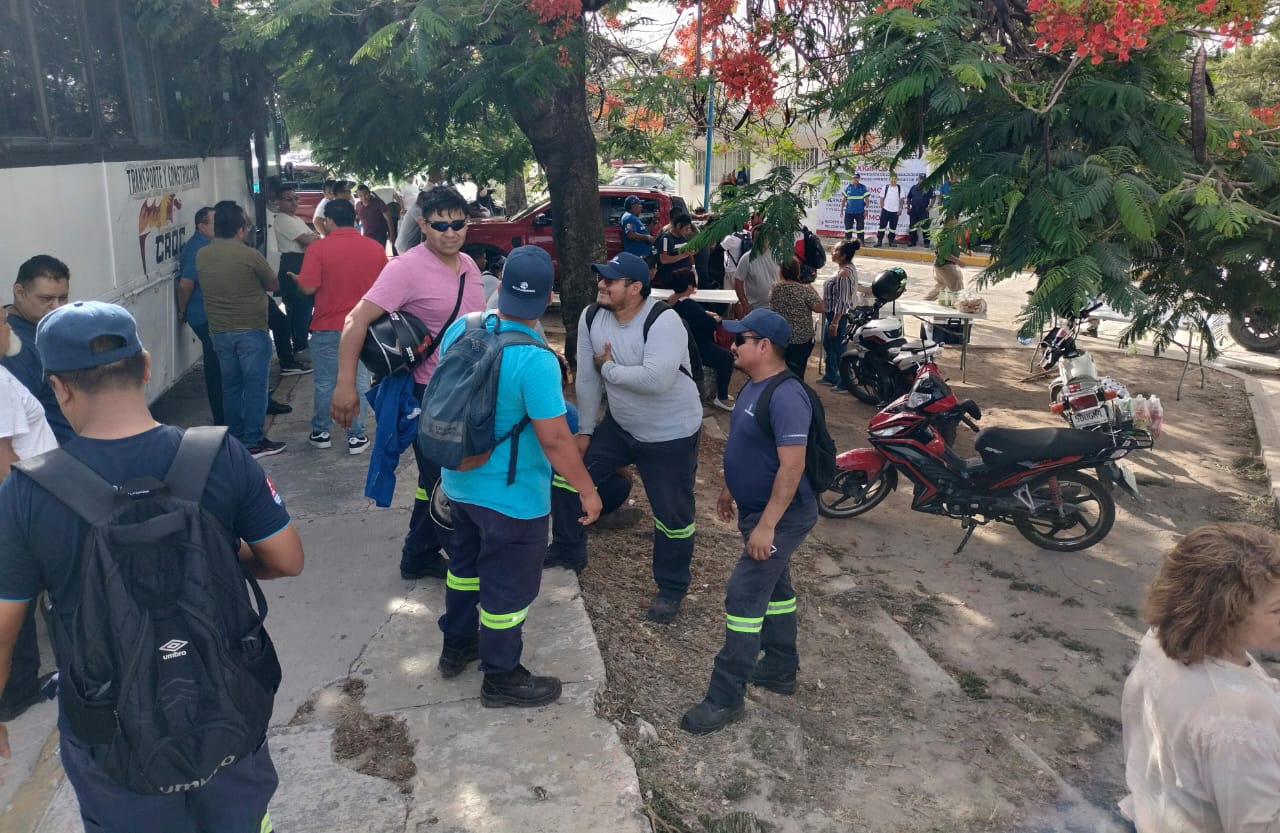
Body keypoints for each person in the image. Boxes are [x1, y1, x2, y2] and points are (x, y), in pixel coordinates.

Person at [0, 300, 304, 833]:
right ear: (144, 366)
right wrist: (224, 550)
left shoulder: (27, 492)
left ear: (59, 388)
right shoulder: (221, 453)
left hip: (109, 726)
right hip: (225, 701)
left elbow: (5, 625)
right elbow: (286, 559)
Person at [434, 246, 601, 707]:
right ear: (548, 297)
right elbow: (556, 440)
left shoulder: (462, 328)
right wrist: (587, 490)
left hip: (458, 482)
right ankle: (501, 676)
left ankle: (457, 645)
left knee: (464, 570)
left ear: (501, 285)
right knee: (507, 588)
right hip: (512, 498)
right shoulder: (536, 359)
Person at [333, 185, 486, 581]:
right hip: (427, 395)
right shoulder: (405, 268)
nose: (450, 233)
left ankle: (417, 556)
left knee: (434, 479)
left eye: (458, 224)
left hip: (466, 393)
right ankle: (468, 571)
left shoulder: (469, 265)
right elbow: (355, 320)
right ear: (422, 224)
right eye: (440, 225)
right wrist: (345, 386)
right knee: (448, 484)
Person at [681, 309, 818, 735]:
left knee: (743, 595)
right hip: (756, 509)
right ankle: (779, 667)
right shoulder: (752, 386)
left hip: (782, 516)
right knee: (776, 589)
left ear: (764, 346)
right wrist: (730, 488)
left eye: (741, 339)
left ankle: (725, 697)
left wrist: (768, 525)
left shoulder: (786, 396)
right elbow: (749, 446)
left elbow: (792, 468)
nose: (732, 344)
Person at [546, 252, 702, 623]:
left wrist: (610, 369)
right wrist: (585, 430)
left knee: (672, 515)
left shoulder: (663, 320)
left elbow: (656, 380)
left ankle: (671, 588)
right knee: (568, 476)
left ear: (635, 288)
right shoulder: (591, 316)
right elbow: (587, 378)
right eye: (601, 277)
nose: (601, 284)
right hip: (621, 426)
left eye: (610, 280)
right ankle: (568, 551)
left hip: (670, 433)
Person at [1121, 523, 1280, 833]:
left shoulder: (1161, 639)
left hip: (1154, 814)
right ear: (1227, 614)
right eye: (1278, 609)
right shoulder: (1237, 713)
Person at [294, 198, 386, 454]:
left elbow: (308, 287)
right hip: (364, 327)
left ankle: (321, 432)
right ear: (355, 219)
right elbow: (385, 287)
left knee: (325, 382)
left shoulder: (318, 249)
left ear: (329, 221)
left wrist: (297, 280)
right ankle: (356, 436)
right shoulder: (374, 248)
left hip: (327, 325)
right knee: (359, 381)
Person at [0, 311, 56, 722]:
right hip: (25, 503)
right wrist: (25, 515)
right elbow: (4, 459)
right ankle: (17, 690)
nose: (8, 327)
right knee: (20, 592)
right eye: (1, 322)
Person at [197, 201, 286, 458]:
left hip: (219, 331)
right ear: (240, 230)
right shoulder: (249, 255)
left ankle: (234, 437)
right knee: (255, 387)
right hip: (251, 328)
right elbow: (273, 283)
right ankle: (254, 440)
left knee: (231, 386)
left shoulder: (202, 254)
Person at [3, 255, 72, 443]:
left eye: (63, 298)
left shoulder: (47, 325)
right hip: (56, 452)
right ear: (20, 292)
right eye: (46, 298)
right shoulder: (13, 348)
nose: (57, 307)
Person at [666, 270, 735, 412]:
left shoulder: (673, 300)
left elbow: (698, 315)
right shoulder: (689, 305)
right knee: (727, 358)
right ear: (689, 286)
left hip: (687, 344)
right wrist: (716, 319)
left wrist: (706, 314)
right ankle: (721, 397)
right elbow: (709, 324)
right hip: (698, 347)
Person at [272, 187, 319, 367]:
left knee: (303, 307)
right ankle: (300, 347)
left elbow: (314, 238)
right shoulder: (282, 219)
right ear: (279, 202)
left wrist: (311, 239)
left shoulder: (297, 219)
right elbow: (308, 240)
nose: (293, 203)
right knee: (300, 308)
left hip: (302, 261)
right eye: (288, 199)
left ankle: (300, 345)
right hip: (292, 263)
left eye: (295, 198)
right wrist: (310, 239)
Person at [769, 258, 824, 379]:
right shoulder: (804, 289)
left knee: (779, 372)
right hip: (801, 339)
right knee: (797, 373)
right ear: (798, 271)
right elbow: (820, 307)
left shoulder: (775, 288)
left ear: (781, 271)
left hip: (780, 337)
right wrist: (811, 288)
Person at [819, 240, 859, 389]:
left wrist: (835, 322)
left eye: (835, 250)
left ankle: (845, 382)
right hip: (831, 314)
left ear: (843, 255)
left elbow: (843, 301)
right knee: (828, 344)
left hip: (839, 316)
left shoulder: (844, 273)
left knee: (838, 349)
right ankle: (830, 375)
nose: (832, 252)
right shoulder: (842, 269)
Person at [734, 225, 780, 313]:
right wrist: (744, 303)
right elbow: (738, 281)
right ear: (753, 240)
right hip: (755, 308)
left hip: (775, 307)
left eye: (763, 238)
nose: (760, 241)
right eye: (757, 239)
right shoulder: (746, 258)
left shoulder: (777, 256)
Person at [654, 212, 697, 289]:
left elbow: (688, 254)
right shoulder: (666, 239)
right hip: (671, 279)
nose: (688, 231)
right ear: (678, 225)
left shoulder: (683, 238)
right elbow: (664, 259)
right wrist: (682, 256)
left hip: (683, 278)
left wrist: (693, 266)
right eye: (686, 228)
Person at [355, 184, 392, 248]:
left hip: (380, 236)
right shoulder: (358, 205)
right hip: (367, 236)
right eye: (360, 196)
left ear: (369, 193)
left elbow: (389, 220)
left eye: (365, 194)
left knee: (379, 253)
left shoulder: (378, 202)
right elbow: (357, 219)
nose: (363, 197)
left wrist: (391, 235)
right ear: (357, 196)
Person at [906, 174, 935, 247]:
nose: (922, 180)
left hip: (923, 210)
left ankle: (926, 242)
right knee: (912, 226)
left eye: (923, 179)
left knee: (925, 227)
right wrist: (908, 208)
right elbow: (909, 198)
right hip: (914, 209)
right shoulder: (913, 187)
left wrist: (930, 206)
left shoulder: (929, 188)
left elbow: (933, 197)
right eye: (921, 179)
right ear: (918, 179)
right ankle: (912, 241)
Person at [840, 174, 869, 244]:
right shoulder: (848, 187)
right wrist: (841, 210)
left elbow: (867, 199)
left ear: (859, 179)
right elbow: (843, 200)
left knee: (860, 229)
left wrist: (866, 210)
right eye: (854, 178)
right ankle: (847, 243)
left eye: (857, 178)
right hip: (849, 212)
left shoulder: (863, 187)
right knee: (848, 228)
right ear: (852, 179)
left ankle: (861, 243)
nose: (855, 179)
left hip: (860, 212)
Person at [876, 172, 903, 248]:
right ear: (889, 179)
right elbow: (881, 197)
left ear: (897, 179)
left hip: (895, 212)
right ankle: (879, 241)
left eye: (894, 179)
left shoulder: (900, 188)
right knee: (882, 227)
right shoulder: (885, 187)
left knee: (893, 228)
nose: (893, 180)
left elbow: (901, 199)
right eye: (891, 179)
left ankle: (891, 242)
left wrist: (900, 209)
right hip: (886, 210)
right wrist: (882, 205)